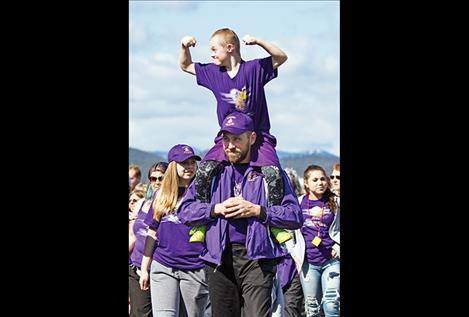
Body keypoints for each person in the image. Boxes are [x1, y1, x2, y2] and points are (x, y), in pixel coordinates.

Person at [178, 112, 303, 317]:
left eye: (237, 139)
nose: (230, 145)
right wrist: (214, 209)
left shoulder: (270, 173)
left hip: (258, 259)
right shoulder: (212, 172)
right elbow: (185, 211)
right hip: (218, 259)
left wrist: (258, 211)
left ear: (252, 138)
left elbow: (295, 216)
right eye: (226, 139)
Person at [179, 27, 290, 244]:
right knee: (205, 170)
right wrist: (184, 46)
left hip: (258, 135)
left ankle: (275, 224)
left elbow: (281, 57)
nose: (210, 54)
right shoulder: (213, 72)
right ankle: (201, 222)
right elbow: (185, 65)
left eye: (214, 49)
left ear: (230, 48)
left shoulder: (254, 69)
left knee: (273, 173)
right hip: (227, 136)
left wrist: (259, 40)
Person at [139, 144, 209, 317]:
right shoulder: (161, 194)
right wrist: (144, 269)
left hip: (195, 267)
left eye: (192, 162)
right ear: (172, 166)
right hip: (163, 266)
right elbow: (152, 232)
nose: (189, 166)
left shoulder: (204, 194)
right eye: (184, 163)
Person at [299, 165, 340, 317]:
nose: (320, 183)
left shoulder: (335, 202)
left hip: (332, 261)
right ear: (306, 183)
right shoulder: (298, 202)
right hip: (308, 263)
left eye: (323, 179)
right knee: (312, 308)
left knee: (331, 304)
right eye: (315, 180)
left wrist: (338, 245)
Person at [129, 161, 169, 317]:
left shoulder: (171, 206)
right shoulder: (141, 204)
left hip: (161, 269)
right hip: (136, 268)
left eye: (161, 178)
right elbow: (133, 236)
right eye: (154, 179)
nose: (157, 182)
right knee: (139, 313)